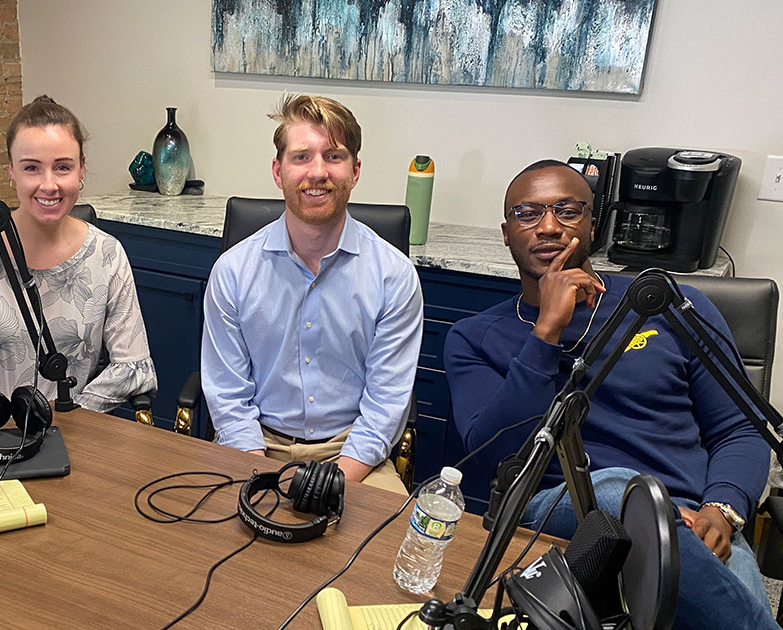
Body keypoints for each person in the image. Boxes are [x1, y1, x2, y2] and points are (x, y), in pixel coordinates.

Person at [444, 160, 773, 627]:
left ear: (592, 226)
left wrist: (721, 509)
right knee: (623, 488)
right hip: (557, 504)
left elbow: (739, 427)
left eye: (567, 211)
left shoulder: (667, 306)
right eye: (528, 213)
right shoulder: (474, 337)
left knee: (708, 571)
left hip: (692, 513)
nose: (549, 227)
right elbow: (493, 454)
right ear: (506, 233)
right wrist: (545, 333)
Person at [200, 94, 423, 494]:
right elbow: (229, 399)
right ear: (278, 171)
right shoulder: (233, 272)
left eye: (334, 156)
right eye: (301, 157)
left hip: (353, 453)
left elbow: (385, 405)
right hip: (254, 445)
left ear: (355, 171)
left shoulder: (394, 276)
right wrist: (261, 478)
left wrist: (328, 484)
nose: (317, 172)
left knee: (385, 533)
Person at [0, 96, 156, 419]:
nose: (49, 185)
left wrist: (68, 420)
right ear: (11, 170)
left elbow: (131, 365)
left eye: (62, 167)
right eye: (31, 168)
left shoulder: (108, 255)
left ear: (81, 168)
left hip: (70, 436)